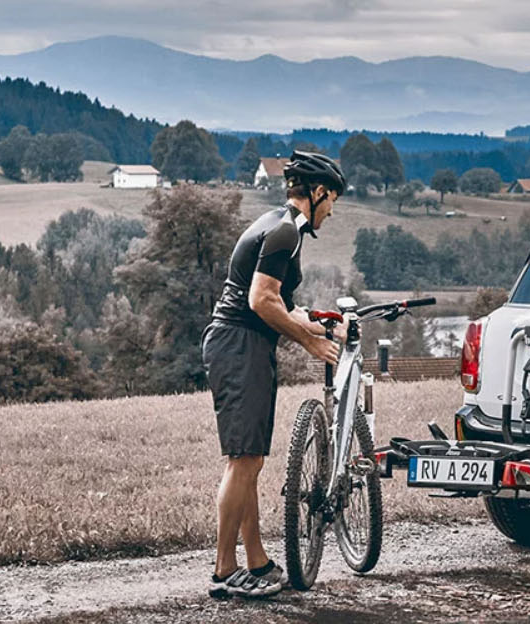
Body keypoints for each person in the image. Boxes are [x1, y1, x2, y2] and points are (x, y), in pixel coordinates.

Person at [202, 150, 346, 598]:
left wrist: (315, 323)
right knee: (243, 460)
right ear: (318, 192)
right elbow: (261, 301)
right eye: (333, 199)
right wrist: (310, 342)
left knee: (249, 460)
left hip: (242, 344)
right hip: (239, 344)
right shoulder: (286, 232)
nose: (333, 209)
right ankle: (226, 572)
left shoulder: (279, 223)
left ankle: (256, 560)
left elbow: (278, 301)